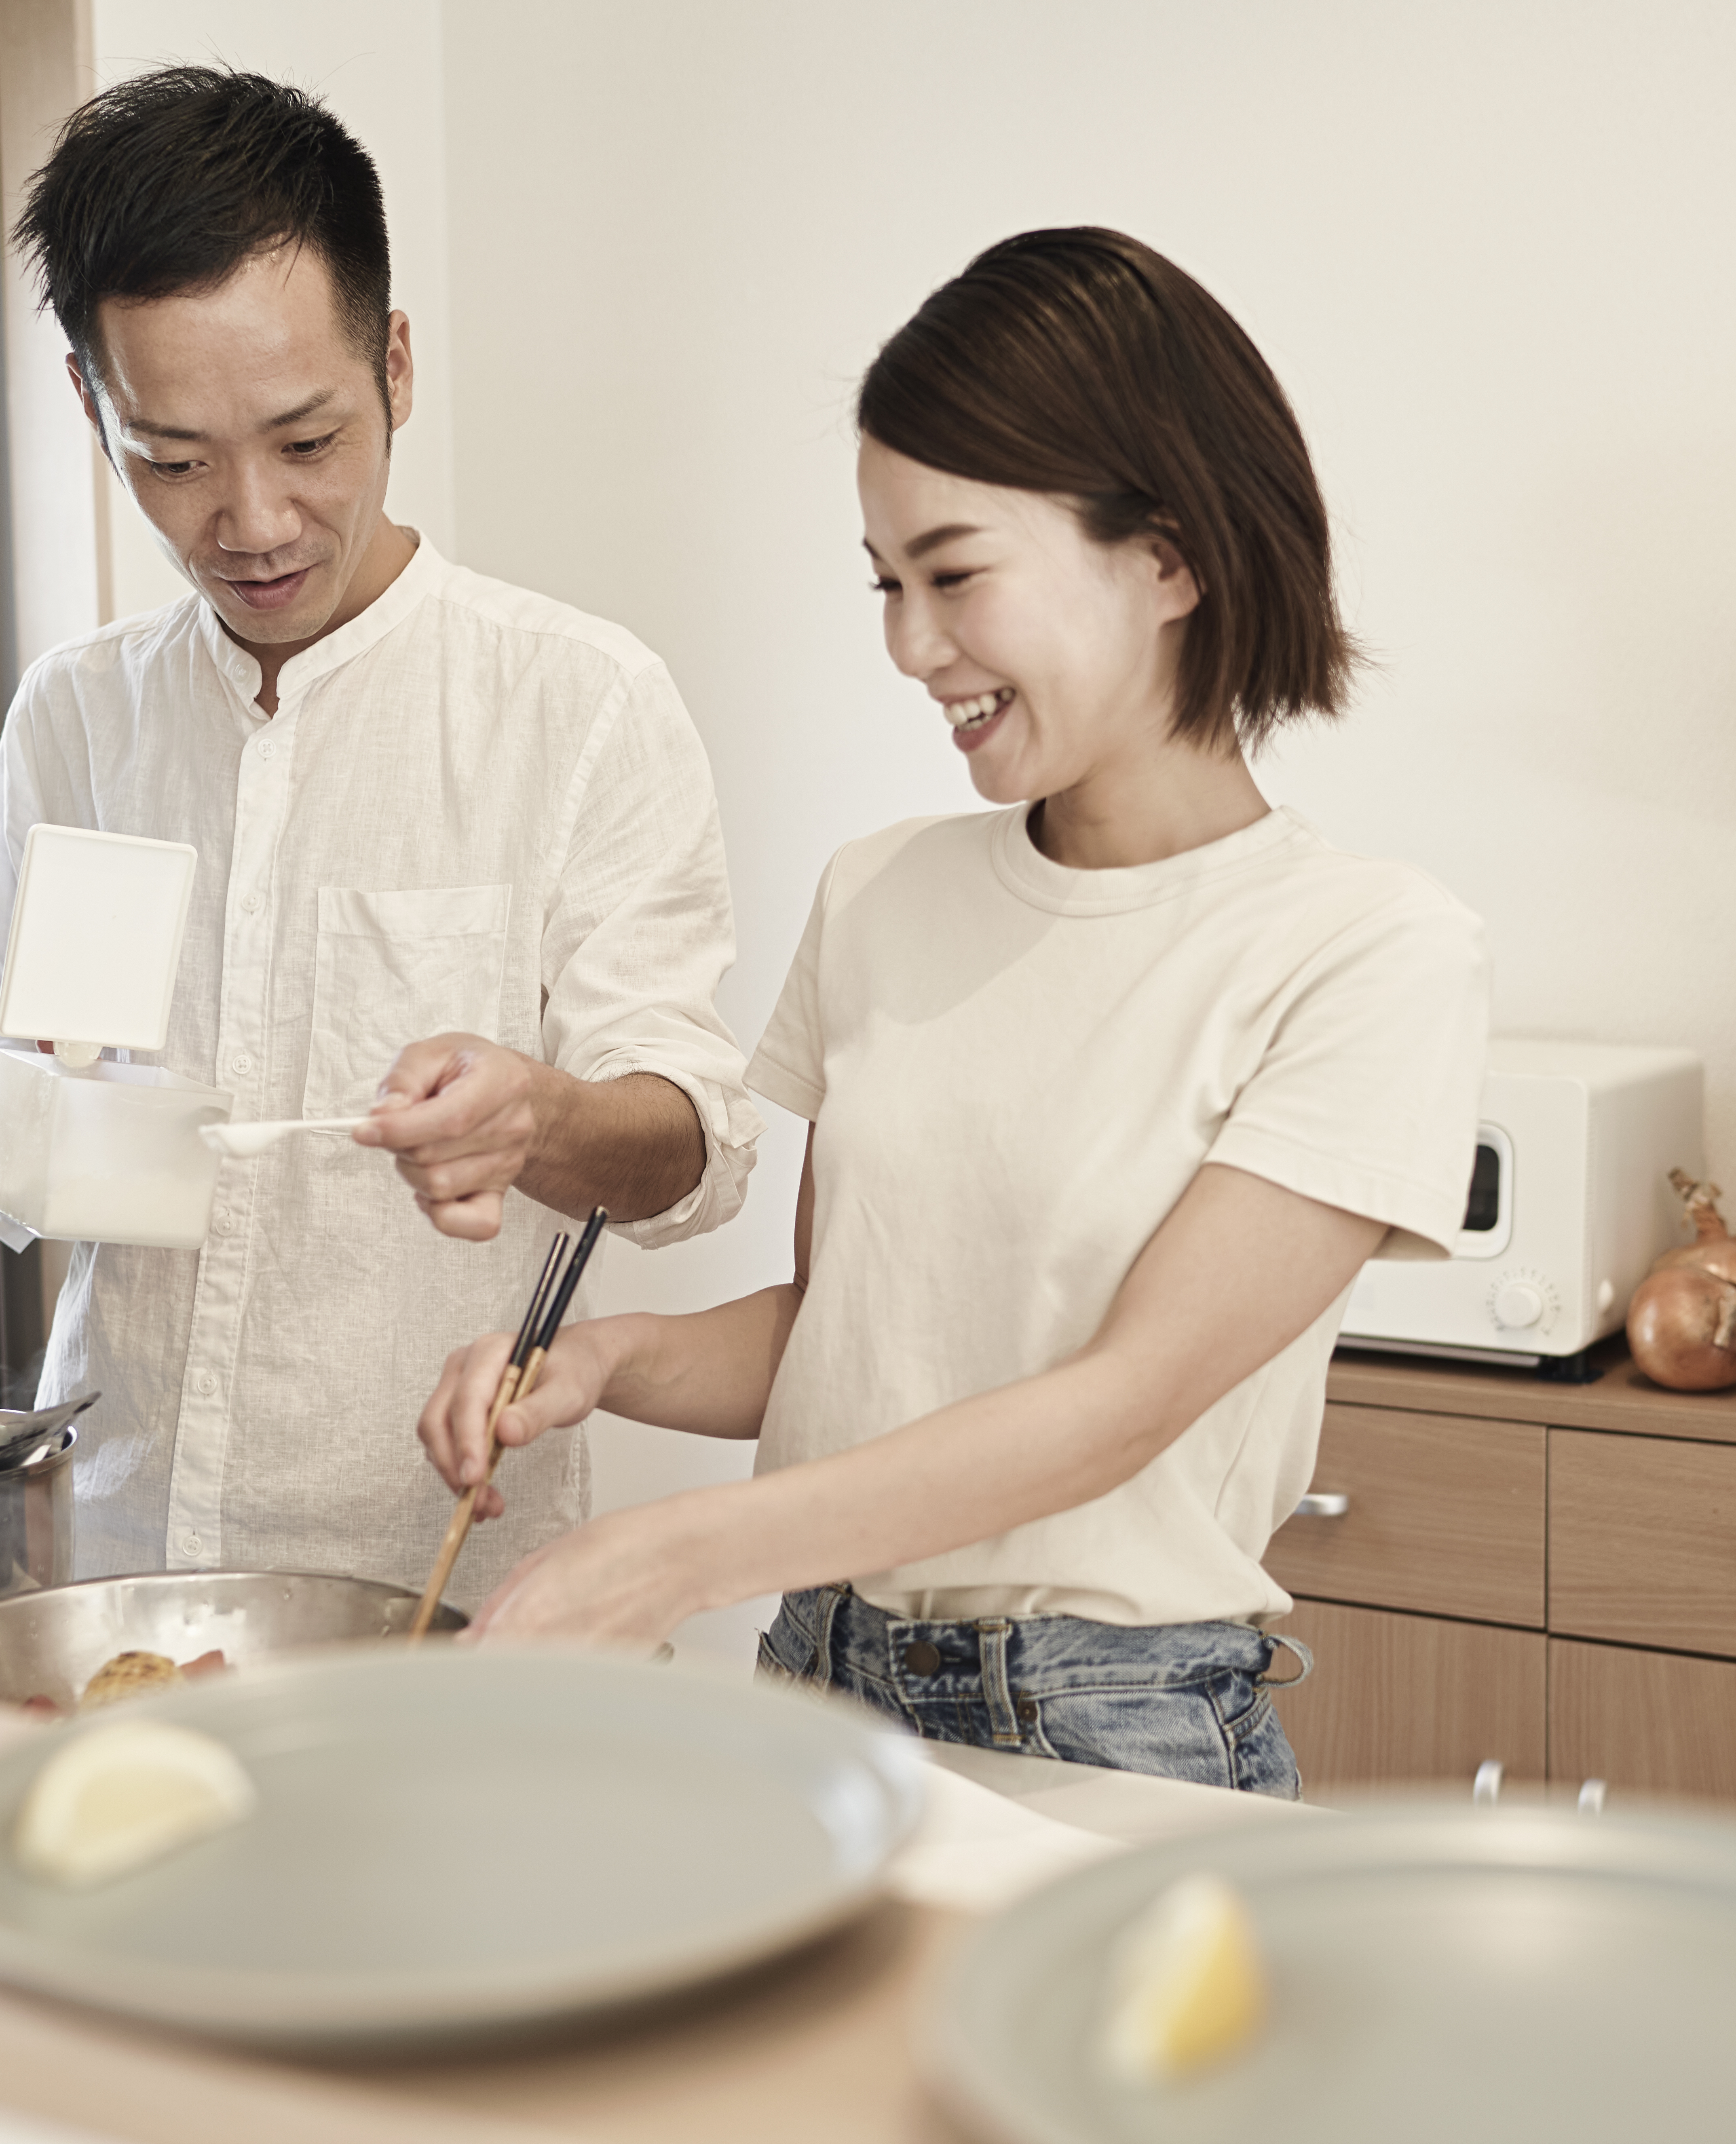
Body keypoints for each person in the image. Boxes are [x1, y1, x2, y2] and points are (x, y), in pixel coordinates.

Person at [414, 229, 1489, 1796]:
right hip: (813, 1686)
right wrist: (607, 1356)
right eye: (885, 585)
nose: (913, 648)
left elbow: (1111, 1408)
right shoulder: (880, 894)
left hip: (1110, 1724)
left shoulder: (1364, 952)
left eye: (955, 573)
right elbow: (845, 1333)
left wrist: (653, 1563)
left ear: (1170, 556)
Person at [0, 70, 757, 1598]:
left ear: (392, 364)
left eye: (305, 441)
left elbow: (692, 1147)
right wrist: (66, 1118)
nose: (248, 521)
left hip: (444, 1574)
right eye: (171, 459)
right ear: (88, 403)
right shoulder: (75, 717)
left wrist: (544, 1123)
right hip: (121, 1555)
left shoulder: (576, 700)